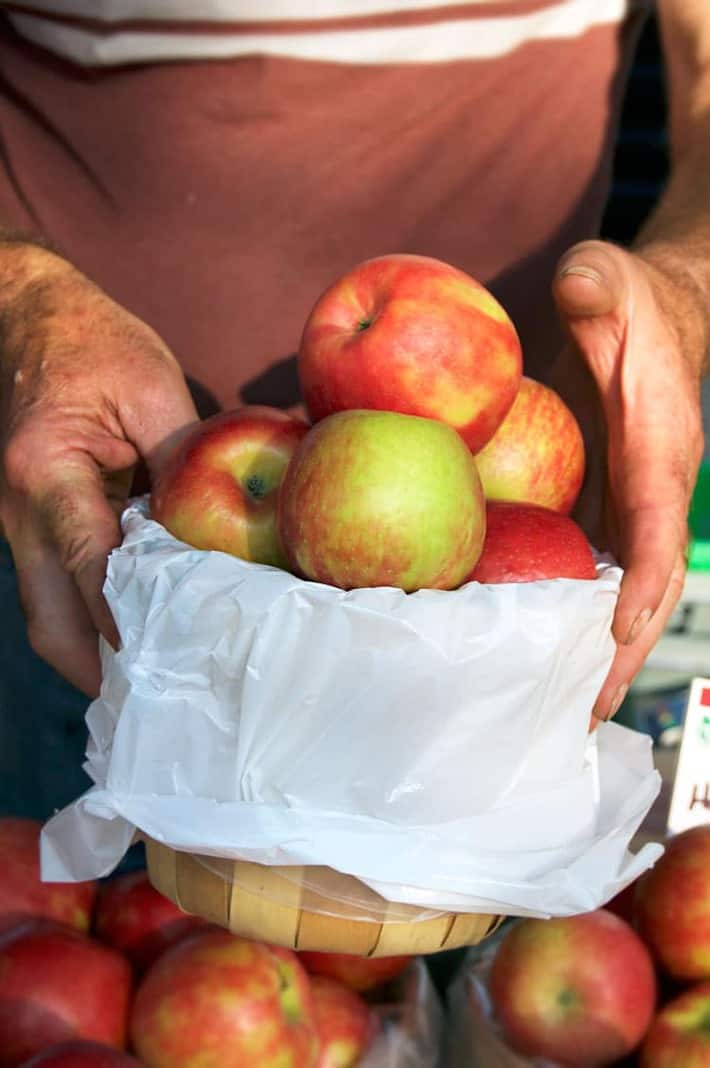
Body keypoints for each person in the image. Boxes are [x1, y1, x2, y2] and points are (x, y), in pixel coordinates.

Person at [0, 0, 707, 819]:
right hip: (84, 539)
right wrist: (19, 296)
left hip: (482, 624)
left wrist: (687, 287)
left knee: (452, 936)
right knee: (66, 917)